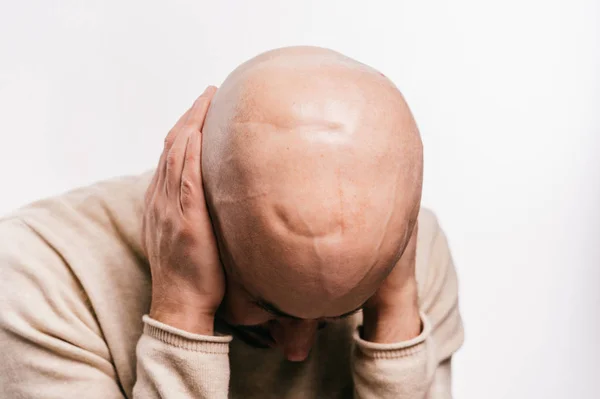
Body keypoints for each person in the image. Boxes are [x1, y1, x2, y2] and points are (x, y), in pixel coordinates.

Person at [0, 46, 463, 398]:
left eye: (334, 317)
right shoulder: (39, 277)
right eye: (267, 308)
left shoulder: (410, 262)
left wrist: (395, 316)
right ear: (197, 200)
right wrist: (181, 314)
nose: (298, 350)